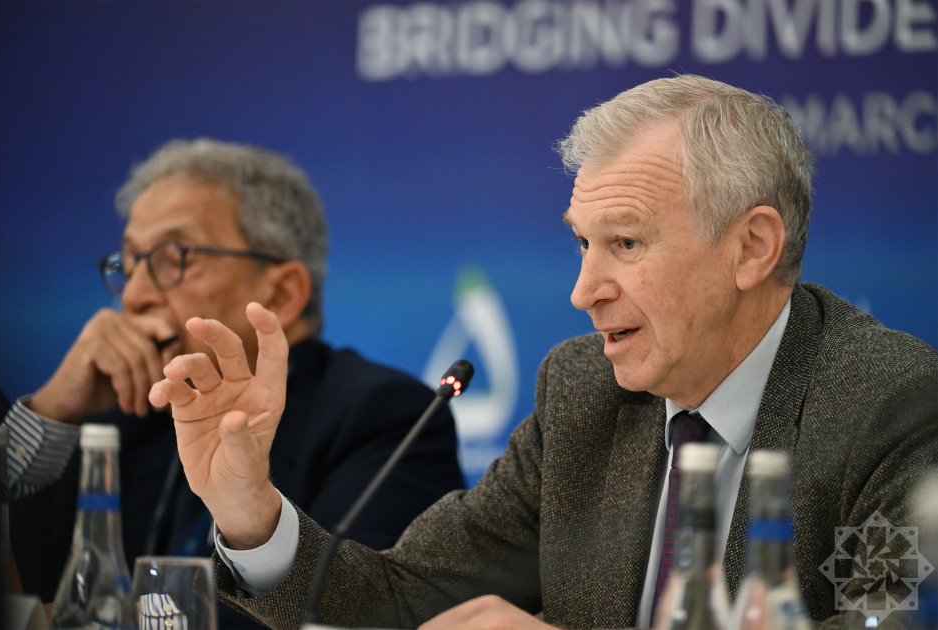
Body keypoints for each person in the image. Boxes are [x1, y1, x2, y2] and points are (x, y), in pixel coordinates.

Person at [150, 76, 938, 630]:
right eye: (580, 244)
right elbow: (403, 595)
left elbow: (887, 622)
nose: (582, 291)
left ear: (751, 247)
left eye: (625, 243)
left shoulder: (890, 403)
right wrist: (249, 512)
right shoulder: (582, 390)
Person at [3, 139, 465, 628]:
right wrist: (52, 412)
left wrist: (108, 619)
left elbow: (358, 610)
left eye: (173, 258)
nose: (134, 296)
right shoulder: (120, 416)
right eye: (128, 264)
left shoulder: (383, 416)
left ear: (282, 292)